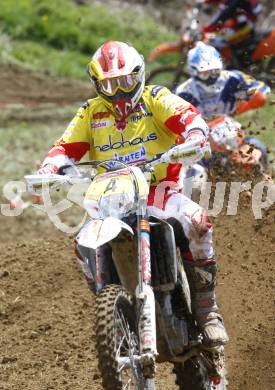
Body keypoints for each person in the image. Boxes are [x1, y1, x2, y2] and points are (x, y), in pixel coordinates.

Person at [37, 40, 228, 348]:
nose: (119, 91)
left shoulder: (156, 98)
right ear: (98, 83)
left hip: (158, 190)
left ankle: (207, 311)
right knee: (81, 244)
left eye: (125, 80)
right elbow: (64, 149)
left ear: (139, 74)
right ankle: (113, 314)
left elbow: (189, 118)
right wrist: (50, 168)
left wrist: (194, 135)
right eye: (110, 84)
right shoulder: (91, 112)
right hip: (110, 198)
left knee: (198, 221)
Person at [174, 41, 270, 174]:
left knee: (258, 151)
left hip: (231, 131)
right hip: (200, 143)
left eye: (215, 71)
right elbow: (175, 131)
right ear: (194, 71)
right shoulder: (183, 93)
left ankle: (261, 186)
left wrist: (234, 112)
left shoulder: (233, 78)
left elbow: (260, 96)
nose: (212, 77)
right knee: (194, 176)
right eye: (205, 73)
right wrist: (204, 137)